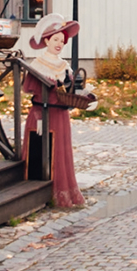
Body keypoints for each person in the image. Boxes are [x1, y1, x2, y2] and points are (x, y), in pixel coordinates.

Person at [23, 13, 88, 207]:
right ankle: (40, 190)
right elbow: (29, 88)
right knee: (43, 149)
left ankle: (63, 190)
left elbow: (70, 87)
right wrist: (52, 83)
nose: (59, 43)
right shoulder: (38, 64)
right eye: (55, 39)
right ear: (46, 40)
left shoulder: (64, 65)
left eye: (62, 40)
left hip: (60, 113)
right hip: (42, 113)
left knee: (62, 151)